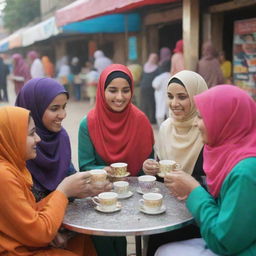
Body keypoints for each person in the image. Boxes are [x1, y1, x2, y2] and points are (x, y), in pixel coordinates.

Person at [155, 85, 256, 256]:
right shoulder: (229, 154)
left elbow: (223, 242)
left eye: (202, 117)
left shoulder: (244, 172)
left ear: (225, 122)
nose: (195, 123)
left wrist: (194, 191)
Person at [0, 106, 101, 255]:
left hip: (33, 236)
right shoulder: (4, 174)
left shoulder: (15, 166)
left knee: (81, 240)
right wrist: (63, 191)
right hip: (18, 249)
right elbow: (38, 233)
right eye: (32, 133)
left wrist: (73, 190)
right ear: (11, 136)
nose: (39, 139)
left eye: (65, 106)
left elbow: (27, 213)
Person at [78, 64, 154, 256]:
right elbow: (86, 166)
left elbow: (148, 169)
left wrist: (148, 167)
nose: (120, 97)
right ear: (102, 91)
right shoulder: (88, 124)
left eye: (125, 90)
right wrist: (105, 170)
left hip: (136, 196)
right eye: (112, 90)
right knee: (106, 242)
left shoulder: (141, 120)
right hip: (102, 196)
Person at [143, 70, 208, 256]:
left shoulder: (206, 129)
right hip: (166, 210)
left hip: (197, 216)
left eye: (182, 97)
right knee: (155, 239)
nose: (174, 103)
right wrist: (152, 168)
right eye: (170, 96)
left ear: (197, 97)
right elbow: (163, 174)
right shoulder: (165, 127)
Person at [140, 53, 159, 124]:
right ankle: (149, 119)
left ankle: (147, 119)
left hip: (146, 87)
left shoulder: (145, 66)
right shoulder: (156, 68)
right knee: (149, 103)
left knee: (147, 104)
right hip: (149, 88)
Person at [152, 60, 171, 127]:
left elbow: (155, 85)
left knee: (160, 114)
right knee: (169, 114)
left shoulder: (159, 77)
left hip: (161, 98)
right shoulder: (172, 76)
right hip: (169, 98)